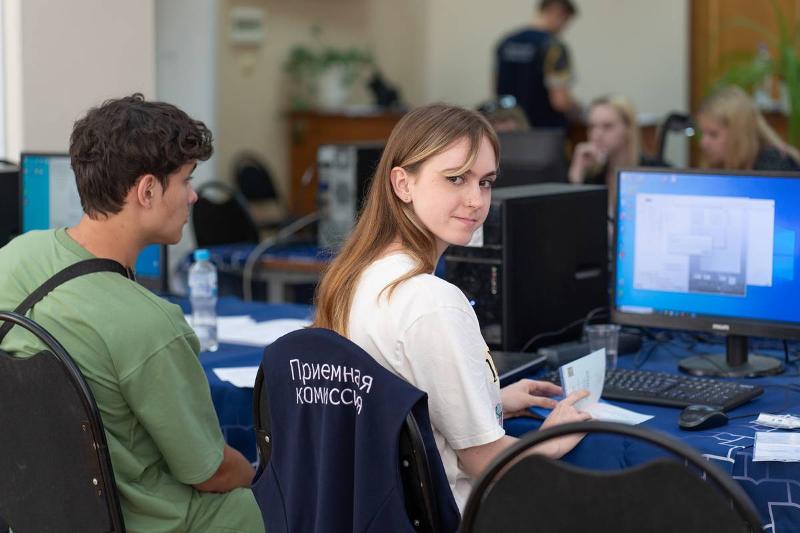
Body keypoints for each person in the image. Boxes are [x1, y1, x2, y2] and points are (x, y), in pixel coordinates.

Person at [0, 95, 264, 532]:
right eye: (186, 180)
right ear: (147, 191)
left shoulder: (13, 258)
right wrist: (257, 474)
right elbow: (209, 472)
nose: (193, 196)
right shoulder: (152, 324)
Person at [312, 103, 591, 511]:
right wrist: (552, 438)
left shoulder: (354, 275)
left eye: (486, 182)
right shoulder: (432, 301)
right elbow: (482, 459)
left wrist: (490, 398)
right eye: (456, 178)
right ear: (403, 184)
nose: (476, 200)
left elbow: (393, 404)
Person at [568, 95, 665, 212]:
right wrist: (576, 175)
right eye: (592, 127)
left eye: (607, 126)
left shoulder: (657, 172)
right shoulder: (593, 176)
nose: (597, 134)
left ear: (628, 129)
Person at [494, 0, 580, 129]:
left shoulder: (506, 42)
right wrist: (579, 110)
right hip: (543, 130)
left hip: (509, 128)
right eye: (566, 22)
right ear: (558, 13)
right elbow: (560, 101)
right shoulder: (553, 47)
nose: (564, 28)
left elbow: (496, 89)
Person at [697, 85, 800, 171]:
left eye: (713, 134)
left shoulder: (775, 168)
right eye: (703, 133)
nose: (703, 143)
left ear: (739, 134)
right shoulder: (719, 165)